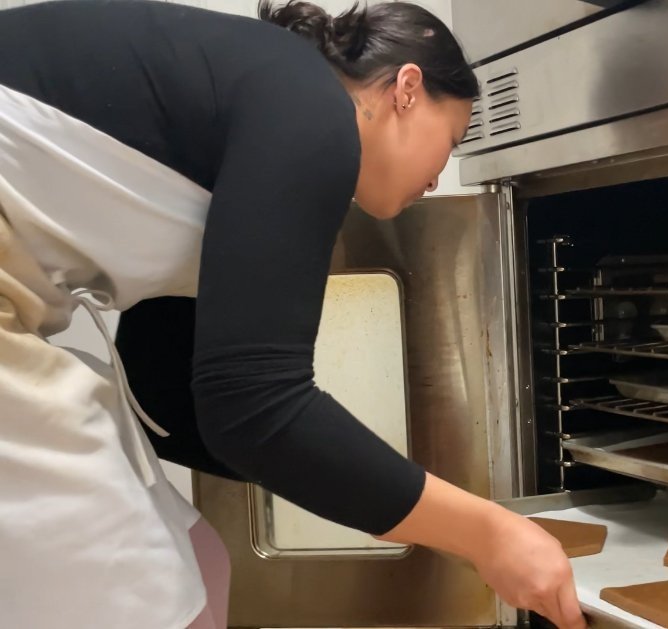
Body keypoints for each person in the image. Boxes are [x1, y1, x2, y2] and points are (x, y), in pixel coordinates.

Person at [0, 1, 585, 628]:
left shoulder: (258, 108)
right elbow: (254, 409)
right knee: (150, 597)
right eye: (453, 140)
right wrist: (485, 533)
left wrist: (386, 488)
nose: (441, 176)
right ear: (406, 90)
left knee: (199, 561)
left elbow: (174, 398)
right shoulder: (310, 108)